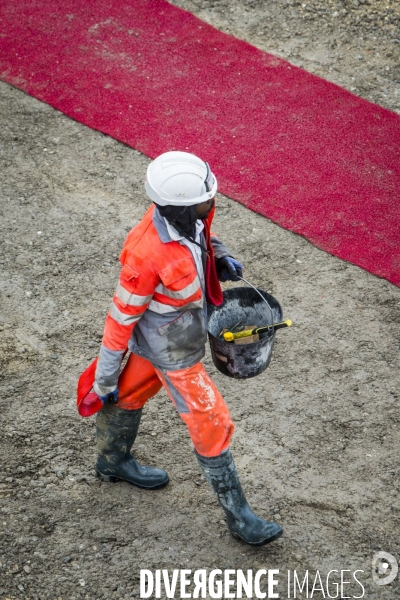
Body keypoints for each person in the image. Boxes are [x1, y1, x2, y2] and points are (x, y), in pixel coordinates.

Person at [91, 151, 282, 546]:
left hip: (176, 332)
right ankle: (241, 518)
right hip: (172, 349)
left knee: (129, 394)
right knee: (212, 421)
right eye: (205, 200)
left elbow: (202, 239)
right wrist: (101, 379)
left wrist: (221, 254)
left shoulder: (188, 216)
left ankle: (112, 461)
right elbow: (119, 320)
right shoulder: (143, 253)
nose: (212, 202)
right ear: (178, 206)